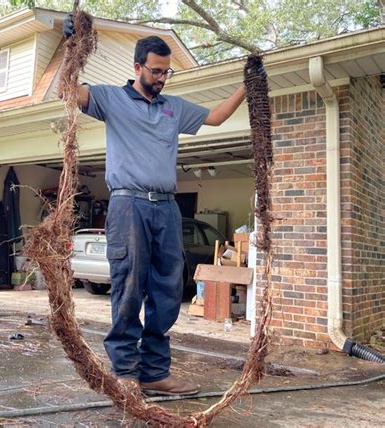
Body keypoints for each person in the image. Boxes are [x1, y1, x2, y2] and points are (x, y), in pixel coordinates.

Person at [63, 14, 255, 396]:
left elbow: (215, 117)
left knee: (167, 289)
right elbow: (70, 92)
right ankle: (126, 373)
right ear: (137, 67)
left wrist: (246, 86)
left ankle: (154, 371)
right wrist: (70, 50)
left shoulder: (173, 107)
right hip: (128, 205)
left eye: (167, 72)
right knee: (129, 286)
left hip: (166, 207)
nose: (162, 77)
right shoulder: (111, 99)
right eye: (156, 71)